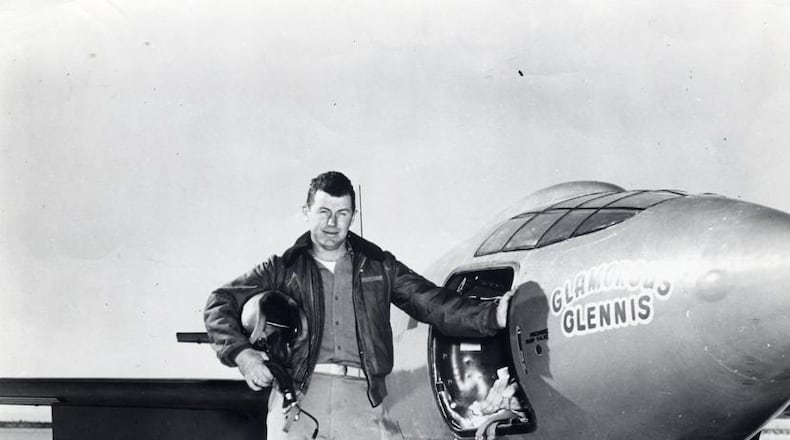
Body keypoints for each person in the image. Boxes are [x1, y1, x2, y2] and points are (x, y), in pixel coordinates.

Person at [204, 171, 513, 439]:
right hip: (298, 398)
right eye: (323, 211)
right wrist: (242, 354)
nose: (332, 222)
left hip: (362, 405)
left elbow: (431, 302)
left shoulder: (381, 267)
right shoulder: (282, 268)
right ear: (306, 212)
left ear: (353, 215)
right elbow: (219, 302)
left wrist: (491, 315)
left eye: (342, 213)